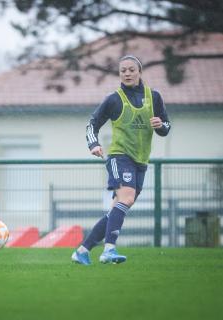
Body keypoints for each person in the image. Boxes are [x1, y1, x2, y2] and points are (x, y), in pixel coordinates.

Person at [72, 55, 171, 265]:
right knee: (126, 198)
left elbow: (167, 127)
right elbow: (92, 124)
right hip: (119, 156)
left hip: (141, 161)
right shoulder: (114, 99)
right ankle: (109, 249)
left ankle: (82, 250)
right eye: (123, 70)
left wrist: (160, 125)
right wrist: (94, 144)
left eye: (131, 70)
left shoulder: (154, 97)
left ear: (140, 72)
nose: (126, 73)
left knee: (117, 208)